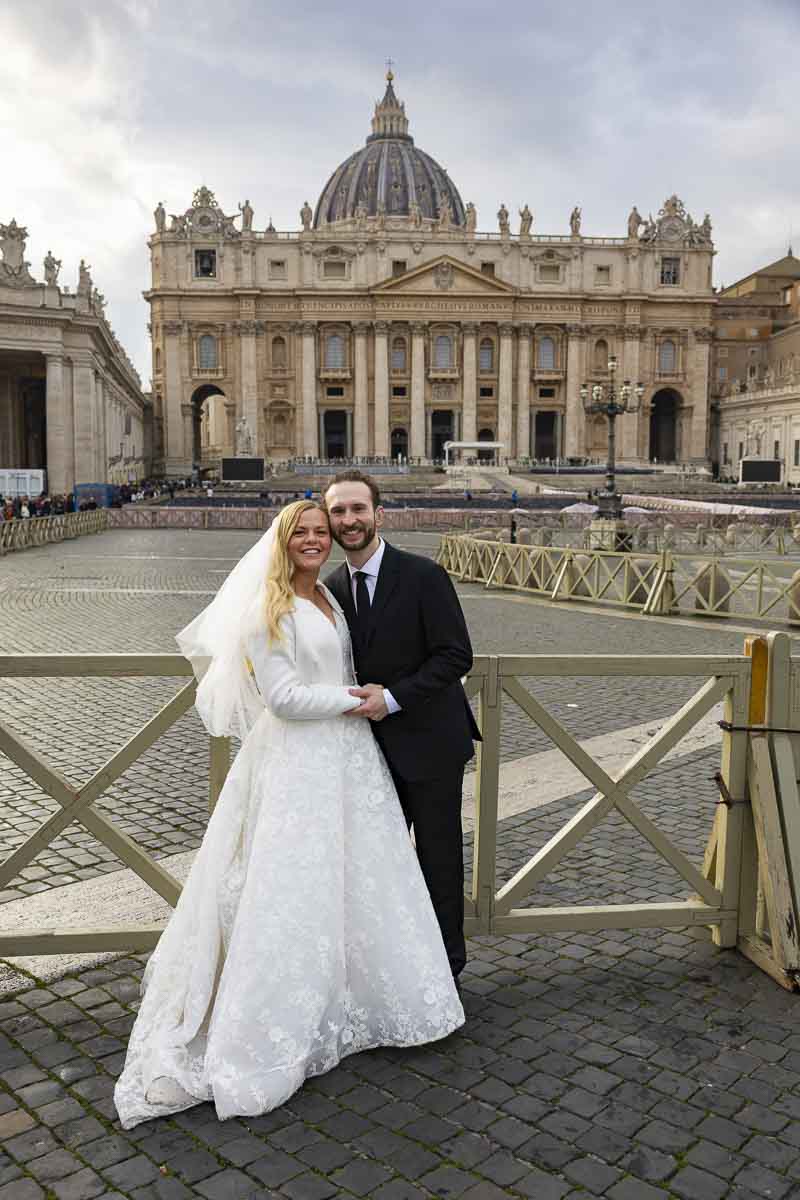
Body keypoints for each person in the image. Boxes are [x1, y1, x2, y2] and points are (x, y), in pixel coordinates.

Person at [114, 501, 463, 1130]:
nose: (313, 540)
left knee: (360, 880)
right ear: (281, 540)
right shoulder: (267, 608)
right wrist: (358, 702)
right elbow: (282, 698)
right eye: (300, 532)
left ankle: (359, 994)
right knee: (294, 887)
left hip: (348, 759)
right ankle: (277, 1019)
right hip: (305, 758)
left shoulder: (329, 598)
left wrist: (369, 701)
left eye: (320, 532)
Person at [323, 471, 480, 981]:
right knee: (376, 863)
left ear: (378, 514)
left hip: (430, 741)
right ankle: (389, 968)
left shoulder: (423, 575)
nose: (350, 520)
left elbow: (456, 654)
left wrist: (391, 699)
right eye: (339, 512)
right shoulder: (330, 589)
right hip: (367, 750)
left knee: (438, 860)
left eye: (357, 509)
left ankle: (446, 968)